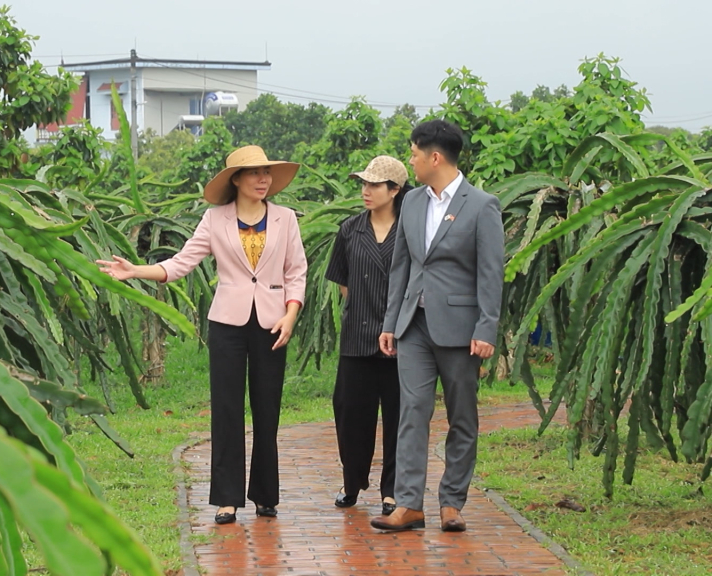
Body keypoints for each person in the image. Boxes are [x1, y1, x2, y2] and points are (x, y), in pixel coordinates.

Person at [97, 145, 308, 525]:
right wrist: (136, 271)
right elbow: (180, 264)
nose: (263, 179)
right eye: (254, 173)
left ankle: (265, 495)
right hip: (227, 323)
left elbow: (296, 272)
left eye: (267, 172)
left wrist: (291, 315)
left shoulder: (285, 218)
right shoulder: (215, 220)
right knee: (226, 410)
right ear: (236, 180)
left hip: (273, 323)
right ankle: (227, 499)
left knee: (267, 410)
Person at [371, 120, 504, 533]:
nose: (409, 160)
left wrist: (487, 327)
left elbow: (491, 273)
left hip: (462, 330)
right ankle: (409, 504)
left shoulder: (482, 205)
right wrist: (391, 320)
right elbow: (402, 266)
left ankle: (452, 503)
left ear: (435, 156)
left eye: (412, 153)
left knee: (462, 416)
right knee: (412, 412)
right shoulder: (410, 203)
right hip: (414, 326)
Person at [324, 156, 411, 516]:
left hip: (402, 340)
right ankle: (352, 480)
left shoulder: (411, 229)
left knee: (398, 416)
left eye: (374, 185)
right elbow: (343, 283)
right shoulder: (350, 229)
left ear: (395, 190)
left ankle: (391, 490)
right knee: (350, 414)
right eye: (363, 184)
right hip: (357, 337)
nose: (365, 191)